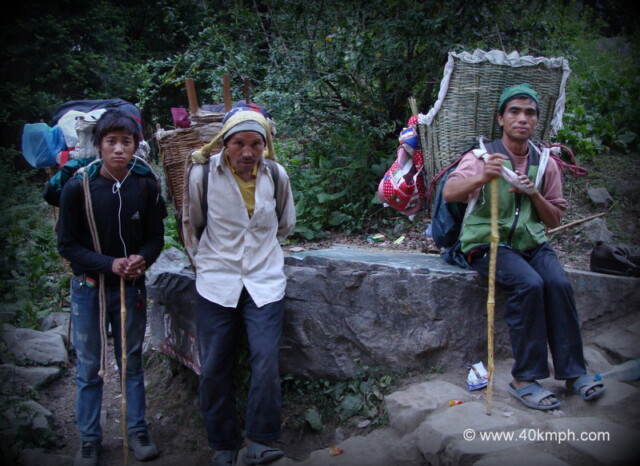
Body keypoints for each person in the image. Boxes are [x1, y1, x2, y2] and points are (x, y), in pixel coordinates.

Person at [442, 84, 606, 411]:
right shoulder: (481, 157)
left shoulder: (545, 163)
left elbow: (554, 219)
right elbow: (450, 193)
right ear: (501, 118)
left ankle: (574, 373)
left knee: (558, 283)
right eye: (514, 111)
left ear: (536, 121)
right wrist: (481, 178)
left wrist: (534, 194)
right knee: (529, 284)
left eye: (529, 113)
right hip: (486, 244)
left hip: (531, 243)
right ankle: (524, 379)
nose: (522, 118)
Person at [184, 106, 296, 465]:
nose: (247, 152)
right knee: (215, 363)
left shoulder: (276, 175)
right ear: (225, 144)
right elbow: (194, 224)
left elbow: (284, 225)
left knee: (265, 358)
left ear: (265, 145)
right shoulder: (202, 175)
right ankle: (223, 443)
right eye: (238, 143)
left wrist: (259, 251)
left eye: (255, 144)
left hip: (264, 279)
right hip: (217, 280)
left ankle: (261, 440)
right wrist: (208, 260)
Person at [57, 109, 166, 465]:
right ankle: (89, 438)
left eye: (127, 141)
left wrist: (142, 259)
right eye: (111, 141)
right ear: (99, 146)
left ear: (136, 145)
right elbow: (67, 246)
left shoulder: (146, 185)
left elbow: (154, 238)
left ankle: (137, 430)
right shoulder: (79, 187)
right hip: (89, 289)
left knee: (130, 361)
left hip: (131, 288)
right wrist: (109, 264)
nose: (119, 149)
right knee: (90, 366)